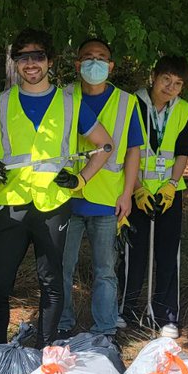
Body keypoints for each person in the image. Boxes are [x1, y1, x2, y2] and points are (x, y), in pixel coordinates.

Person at [0, 29, 113, 346]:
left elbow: (105, 145)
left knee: (51, 282)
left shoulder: (71, 103)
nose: (31, 63)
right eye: (23, 57)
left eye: (38, 56)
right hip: (10, 201)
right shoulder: (0, 102)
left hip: (53, 203)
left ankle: (46, 351)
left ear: (50, 61)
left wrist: (81, 179)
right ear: (15, 64)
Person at [57, 37, 143, 338]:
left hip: (108, 199)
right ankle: (61, 324)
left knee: (106, 270)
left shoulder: (127, 102)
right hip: (66, 197)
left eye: (101, 57)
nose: (95, 62)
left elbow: (134, 150)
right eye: (88, 57)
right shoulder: (62, 97)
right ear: (78, 64)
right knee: (61, 268)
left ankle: (104, 330)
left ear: (111, 65)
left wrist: (127, 193)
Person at [122, 55, 188, 339]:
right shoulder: (131, 104)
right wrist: (136, 188)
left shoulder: (183, 110)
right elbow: (127, 150)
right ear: (154, 76)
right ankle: (126, 310)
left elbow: (183, 152)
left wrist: (172, 185)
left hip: (167, 193)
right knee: (133, 252)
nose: (171, 87)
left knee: (168, 253)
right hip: (135, 190)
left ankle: (166, 315)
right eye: (166, 79)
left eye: (178, 84)